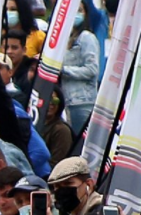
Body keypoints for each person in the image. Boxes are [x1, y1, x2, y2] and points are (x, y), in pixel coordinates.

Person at [61, 1, 99, 136]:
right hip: (66, 101)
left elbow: (92, 69)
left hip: (83, 101)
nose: (76, 15)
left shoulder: (86, 37)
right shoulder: (65, 39)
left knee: (81, 142)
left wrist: (64, 70)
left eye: (80, 11)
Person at [42, 85, 74, 167]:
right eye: (47, 98)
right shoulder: (33, 122)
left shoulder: (62, 130)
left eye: (55, 100)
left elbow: (56, 163)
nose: (50, 103)